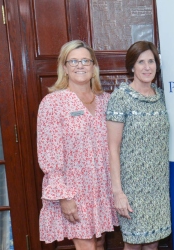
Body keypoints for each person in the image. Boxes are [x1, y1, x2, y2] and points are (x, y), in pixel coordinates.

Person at [37, 40, 118, 249]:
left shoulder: (106, 101)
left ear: (93, 67)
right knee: (87, 246)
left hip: (102, 187)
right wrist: (63, 196)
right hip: (74, 190)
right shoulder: (53, 103)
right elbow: (49, 153)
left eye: (85, 60)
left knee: (99, 243)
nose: (80, 65)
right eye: (73, 61)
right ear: (64, 67)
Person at [106, 41, 171, 249]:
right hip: (132, 188)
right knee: (133, 245)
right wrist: (118, 192)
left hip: (159, 187)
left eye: (151, 61)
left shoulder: (163, 97)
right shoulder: (120, 98)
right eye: (141, 62)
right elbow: (113, 149)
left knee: (153, 244)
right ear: (132, 66)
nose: (147, 67)